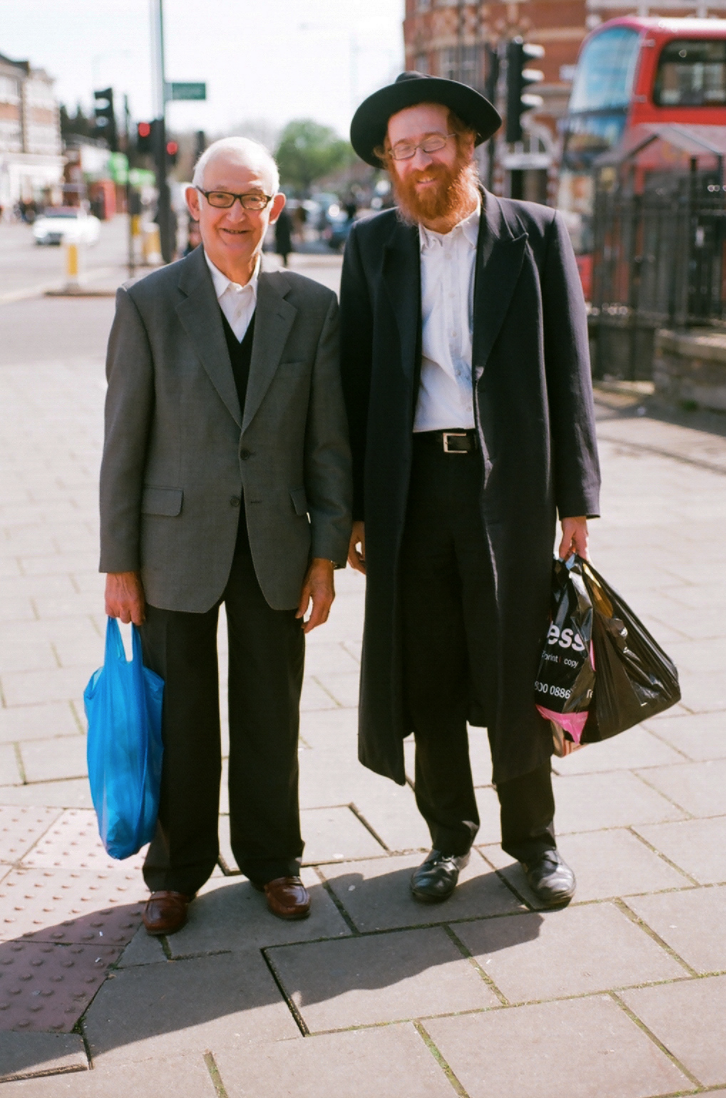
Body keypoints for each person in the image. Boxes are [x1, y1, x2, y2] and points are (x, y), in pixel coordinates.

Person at [340, 73, 600, 908]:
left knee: (514, 662)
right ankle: (447, 837)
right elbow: (354, 382)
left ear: (465, 145)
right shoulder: (371, 244)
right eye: (402, 150)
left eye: (432, 143)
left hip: (510, 486)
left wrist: (577, 499)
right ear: (391, 161)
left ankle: (535, 841)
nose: (418, 162)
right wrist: (350, 510)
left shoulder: (534, 233)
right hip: (410, 488)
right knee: (430, 669)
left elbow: (570, 370)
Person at [100, 137, 352, 935]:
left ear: (275, 207)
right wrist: (119, 564)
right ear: (194, 203)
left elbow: (328, 444)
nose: (236, 214)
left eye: (253, 199)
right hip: (174, 546)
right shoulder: (147, 302)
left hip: (277, 543)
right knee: (180, 716)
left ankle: (275, 859)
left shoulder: (311, 308)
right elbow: (122, 446)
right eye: (222, 197)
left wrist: (325, 554)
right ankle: (175, 872)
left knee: (271, 713)